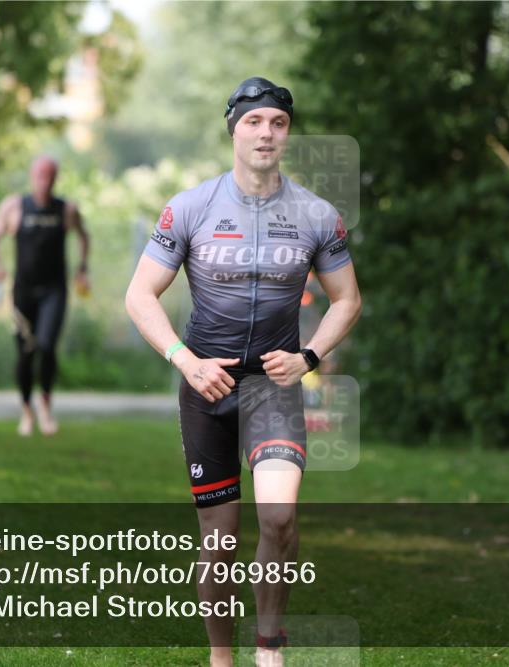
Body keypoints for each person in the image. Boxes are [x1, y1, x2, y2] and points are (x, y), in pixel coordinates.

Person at [125, 77, 362, 667]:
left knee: (279, 519)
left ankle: (269, 649)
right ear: (233, 129)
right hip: (207, 386)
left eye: (277, 123)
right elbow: (139, 295)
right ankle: (221, 658)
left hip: (273, 390)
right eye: (254, 122)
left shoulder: (316, 214)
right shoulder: (190, 208)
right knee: (220, 543)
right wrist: (185, 359)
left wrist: (308, 357)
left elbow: (348, 299)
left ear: (287, 134)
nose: (266, 133)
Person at [0, 155, 90, 436]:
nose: (45, 181)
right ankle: (26, 411)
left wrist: (82, 268)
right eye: (40, 175)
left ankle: (45, 405)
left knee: (46, 345)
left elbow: (83, 237)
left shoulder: (66, 209)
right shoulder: (14, 206)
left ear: (56, 178)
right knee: (25, 352)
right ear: (32, 176)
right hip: (23, 291)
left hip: (54, 290)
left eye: (50, 176)